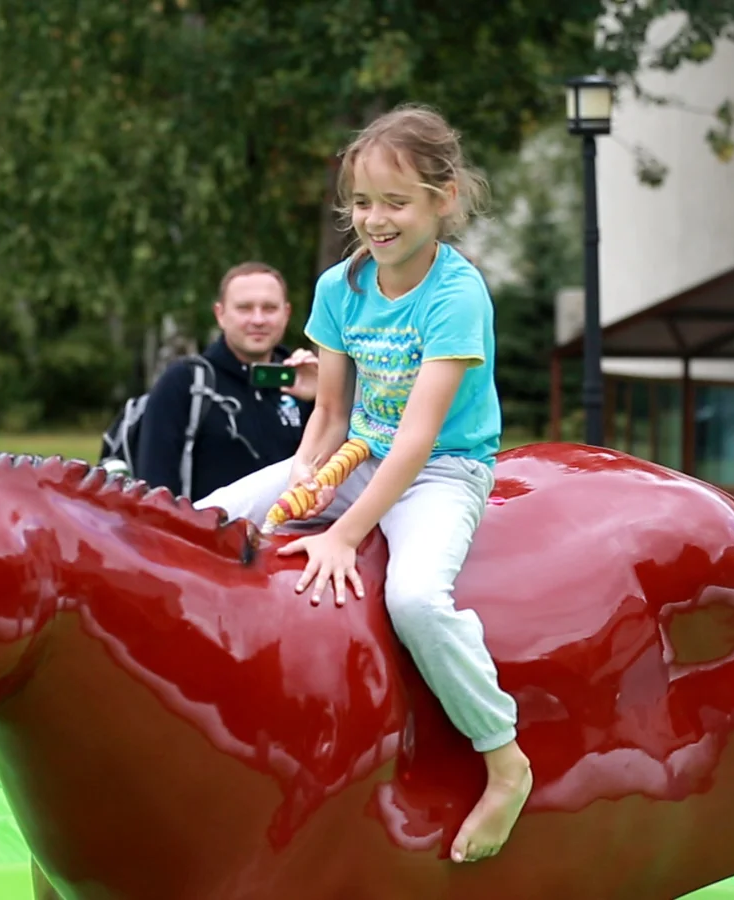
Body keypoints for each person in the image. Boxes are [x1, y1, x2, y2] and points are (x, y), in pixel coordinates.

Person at [195, 104, 532, 863]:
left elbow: (417, 439)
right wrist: (308, 480)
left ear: (443, 199)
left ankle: (504, 758)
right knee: (208, 518)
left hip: (443, 470)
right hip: (358, 455)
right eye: (362, 202)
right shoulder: (339, 286)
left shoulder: (456, 295)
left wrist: (346, 533)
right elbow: (332, 413)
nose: (375, 220)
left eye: (396, 202)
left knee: (414, 599)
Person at [134, 262, 318, 502]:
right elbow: (155, 488)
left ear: (287, 313)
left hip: (289, 536)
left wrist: (324, 398)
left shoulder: (305, 381)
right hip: (203, 536)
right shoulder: (186, 383)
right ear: (220, 314)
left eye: (270, 308)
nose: (258, 319)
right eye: (244, 308)